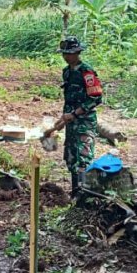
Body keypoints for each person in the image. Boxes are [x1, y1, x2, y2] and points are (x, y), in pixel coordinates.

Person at [53, 36, 103, 194]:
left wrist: (75, 114)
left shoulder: (86, 72)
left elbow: (95, 98)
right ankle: (75, 192)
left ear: (77, 53)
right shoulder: (66, 72)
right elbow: (69, 99)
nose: (66, 57)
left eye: (69, 53)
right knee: (71, 157)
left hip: (84, 122)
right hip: (71, 123)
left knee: (83, 157)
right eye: (64, 54)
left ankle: (84, 195)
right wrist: (63, 119)